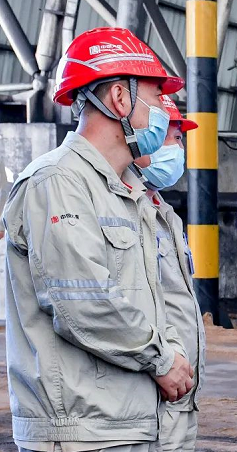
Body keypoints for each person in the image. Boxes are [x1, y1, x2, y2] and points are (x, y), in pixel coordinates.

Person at [2, 27, 193, 452]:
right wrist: (163, 359)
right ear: (120, 98)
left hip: (127, 424)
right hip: (83, 433)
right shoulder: (57, 181)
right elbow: (81, 302)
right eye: (156, 96)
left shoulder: (130, 192)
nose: (165, 112)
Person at [132, 95, 207, 452]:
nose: (179, 149)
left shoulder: (166, 213)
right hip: (153, 389)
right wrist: (163, 362)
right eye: (172, 137)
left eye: (181, 139)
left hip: (180, 391)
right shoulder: (126, 209)